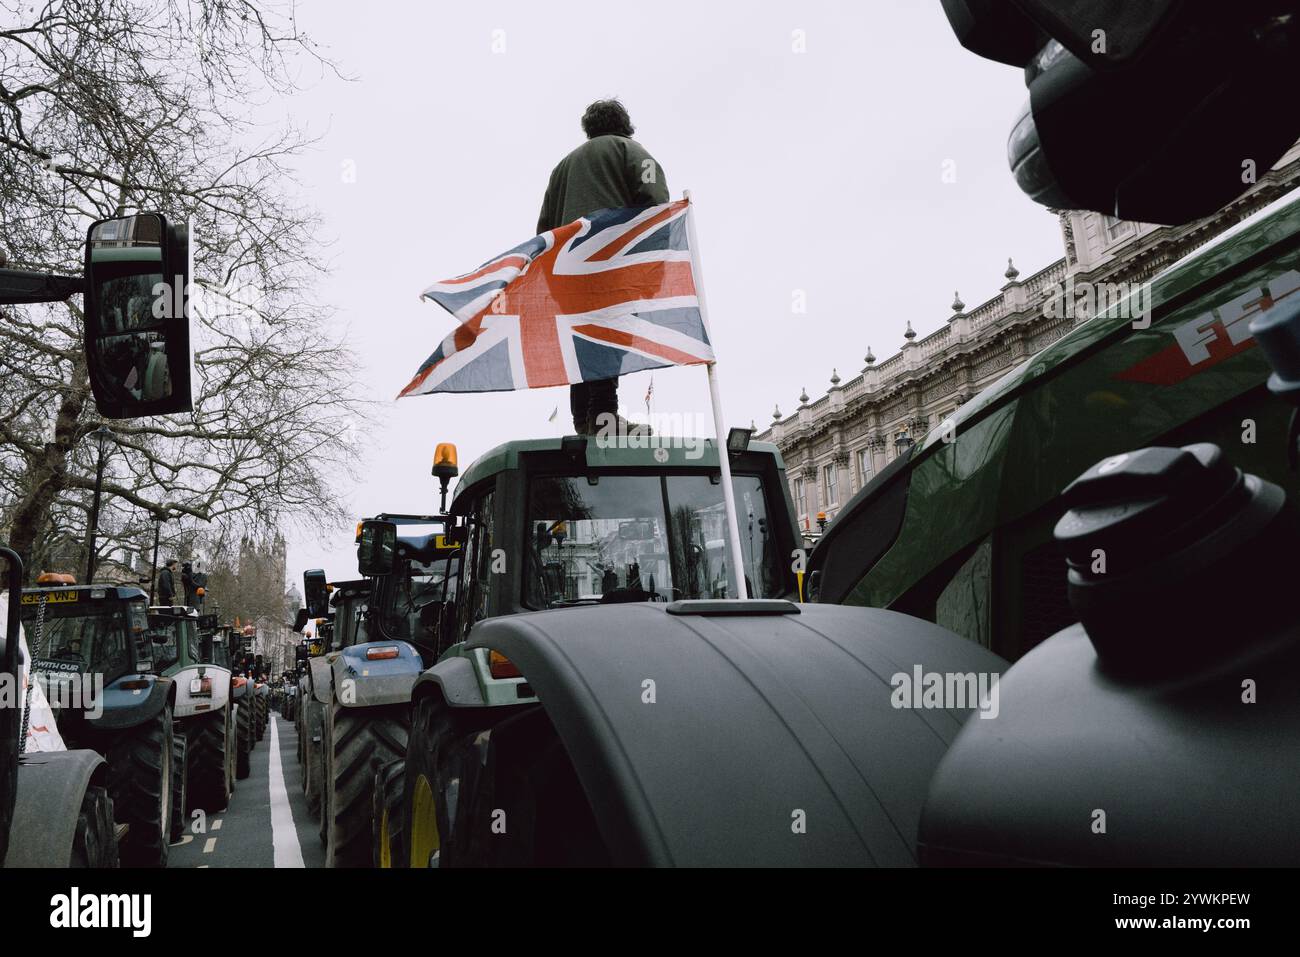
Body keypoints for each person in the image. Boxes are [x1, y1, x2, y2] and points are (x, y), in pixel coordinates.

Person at [537, 99, 669, 434]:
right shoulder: (631, 151)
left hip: (569, 271)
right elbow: (655, 202)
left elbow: (544, 230)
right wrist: (653, 261)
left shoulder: (561, 169)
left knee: (583, 339)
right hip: (612, 264)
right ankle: (603, 416)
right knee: (610, 334)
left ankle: (584, 418)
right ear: (625, 124)